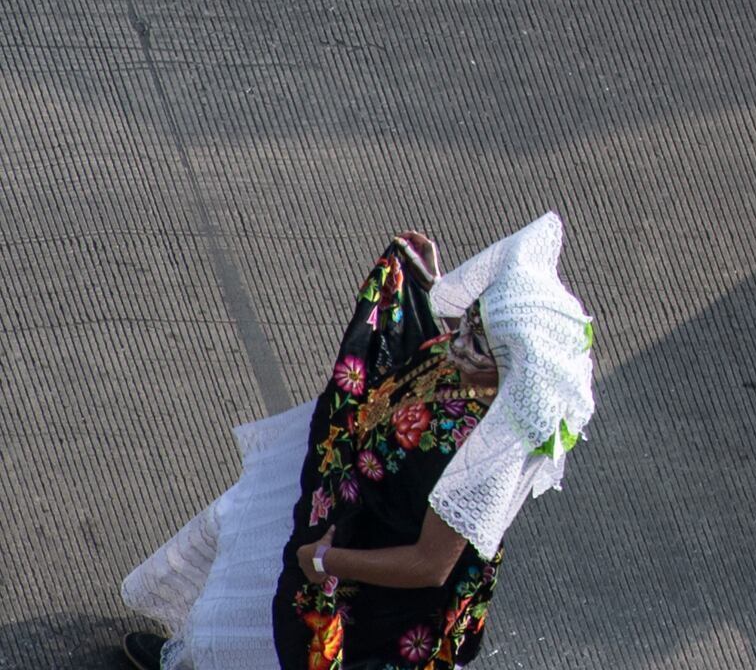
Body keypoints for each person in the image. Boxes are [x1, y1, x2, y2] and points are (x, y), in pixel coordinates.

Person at [119, 216, 596, 670]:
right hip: (340, 497)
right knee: (244, 573)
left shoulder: (484, 464)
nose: (459, 340)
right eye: (474, 316)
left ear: (510, 378)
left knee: (268, 638)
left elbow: (429, 565)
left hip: (364, 571)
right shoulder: (470, 370)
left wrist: (325, 561)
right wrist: (427, 283)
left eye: (478, 343)